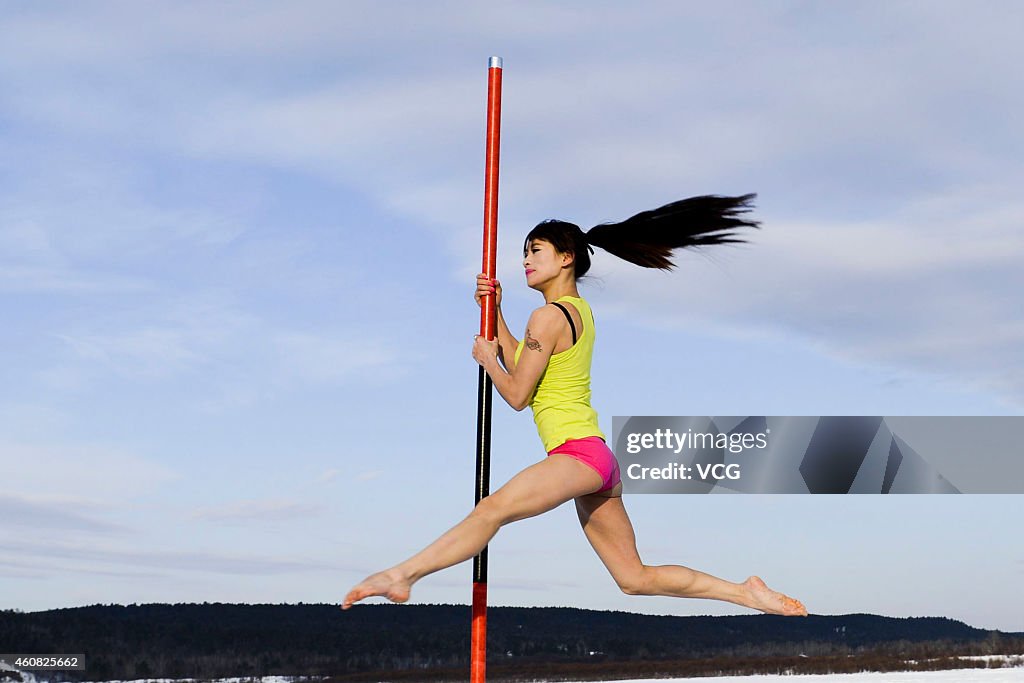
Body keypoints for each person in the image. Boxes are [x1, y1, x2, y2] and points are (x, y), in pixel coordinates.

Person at [341, 194, 807, 617]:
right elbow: (528, 364)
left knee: (491, 511)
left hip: (576, 455)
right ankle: (745, 593)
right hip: (596, 460)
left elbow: (519, 395)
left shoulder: (546, 317)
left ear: (566, 258)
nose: (525, 260)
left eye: (535, 251)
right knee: (634, 578)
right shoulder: (575, 312)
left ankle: (403, 575)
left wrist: (487, 360)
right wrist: (497, 313)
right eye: (524, 252)